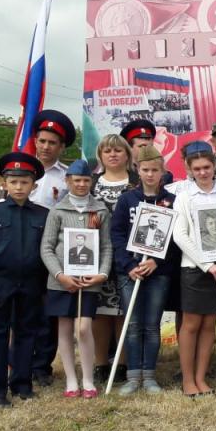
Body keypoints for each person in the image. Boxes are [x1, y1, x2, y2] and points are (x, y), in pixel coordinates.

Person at [0, 152, 49, 407]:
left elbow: (46, 251)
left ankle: (22, 384)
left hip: (31, 284)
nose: (18, 187)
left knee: (27, 333)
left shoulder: (42, 215)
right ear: (4, 183)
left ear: (33, 185)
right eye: (13, 182)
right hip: (0, 284)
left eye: (24, 182)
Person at [172, 141, 216, 397]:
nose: (202, 172)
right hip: (194, 270)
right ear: (190, 170)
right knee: (191, 324)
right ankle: (188, 380)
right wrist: (207, 264)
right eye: (197, 168)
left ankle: (201, 378)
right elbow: (180, 235)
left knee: (210, 324)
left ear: (214, 167)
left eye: (206, 167)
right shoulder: (184, 197)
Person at [41, 159, 113, 399]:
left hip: (88, 281)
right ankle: (71, 380)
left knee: (83, 328)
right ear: (68, 181)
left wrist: (102, 274)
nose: (81, 184)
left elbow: (106, 247)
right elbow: (47, 247)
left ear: (91, 181)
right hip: (61, 281)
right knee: (64, 328)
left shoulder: (100, 210)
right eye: (77, 180)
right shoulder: (57, 211)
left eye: (85, 180)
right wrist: (60, 275)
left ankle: (88, 379)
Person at [110, 145, 179, 395]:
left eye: (155, 170)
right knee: (133, 324)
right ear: (137, 170)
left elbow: (175, 239)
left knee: (151, 325)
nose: (150, 174)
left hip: (158, 272)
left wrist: (157, 262)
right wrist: (128, 265)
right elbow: (116, 234)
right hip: (131, 271)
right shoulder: (127, 199)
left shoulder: (171, 201)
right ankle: (132, 376)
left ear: (162, 172)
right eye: (146, 170)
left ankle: (149, 375)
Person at [28, 110, 76, 386]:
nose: (46, 147)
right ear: (35, 140)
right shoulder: (20, 170)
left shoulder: (67, 177)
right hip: (24, 249)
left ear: (62, 147)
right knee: (25, 309)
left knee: (49, 312)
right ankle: (20, 361)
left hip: (54, 252)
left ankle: (42, 366)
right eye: (42, 141)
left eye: (52, 143)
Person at [90, 133, 137, 384]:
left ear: (127, 155)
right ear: (100, 155)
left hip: (129, 256)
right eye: (107, 151)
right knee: (100, 312)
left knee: (124, 311)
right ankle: (100, 363)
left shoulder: (137, 182)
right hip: (97, 256)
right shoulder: (91, 183)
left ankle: (122, 362)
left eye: (118, 150)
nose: (113, 154)